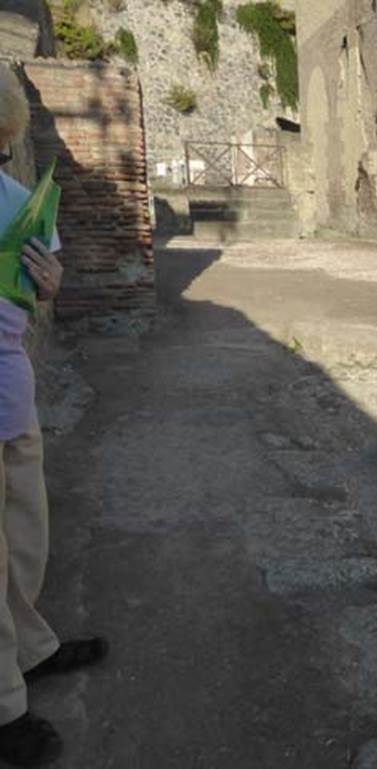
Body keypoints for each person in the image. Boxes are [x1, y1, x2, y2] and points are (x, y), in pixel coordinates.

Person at [0, 67, 107, 766]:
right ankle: (5, 708)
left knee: (24, 535)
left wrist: (51, 283)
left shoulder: (17, 199)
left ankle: (29, 650)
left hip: (12, 390)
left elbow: (39, 299)